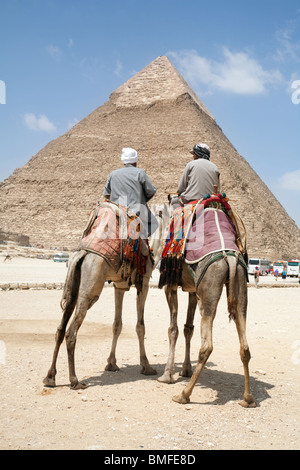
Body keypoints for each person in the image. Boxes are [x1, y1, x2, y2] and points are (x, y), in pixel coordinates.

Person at [103, 147, 158, 238]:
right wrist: (142, 197)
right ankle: (141, 239)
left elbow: (106, 193)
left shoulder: (113, 174)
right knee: (154, 223)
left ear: (123, 161)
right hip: (136, 212)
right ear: (135, 161)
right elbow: (150, 191)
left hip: (117, 211)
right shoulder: (139, 172)